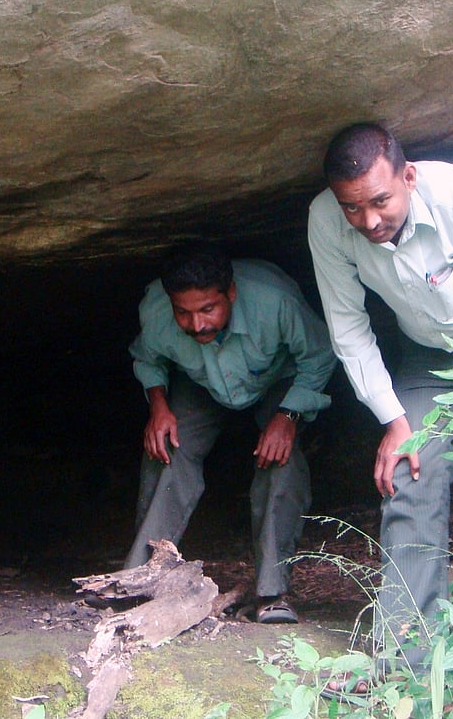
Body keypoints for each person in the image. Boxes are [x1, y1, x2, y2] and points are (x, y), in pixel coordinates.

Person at [306, 123, 453, 678]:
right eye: (352, 208)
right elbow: (348, 327)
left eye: (380, 201)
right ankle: (409, 667)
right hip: (425, 355)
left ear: (408, 177)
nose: (368, 221)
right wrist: (392, 420)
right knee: (409, 478)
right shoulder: (326, 220)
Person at [125, 243, 337, 624]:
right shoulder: (155, 310)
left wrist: (288, 415)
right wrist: (158, 406)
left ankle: (273, 592)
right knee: (167, 447)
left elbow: (319, 354)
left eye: (208, 309)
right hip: (200, 381)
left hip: (276, 378)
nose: (197, 324)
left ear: (231, 293)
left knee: (279, 459)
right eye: (183, 313)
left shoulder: (275, 301)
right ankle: (138, 580)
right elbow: (148, 358)